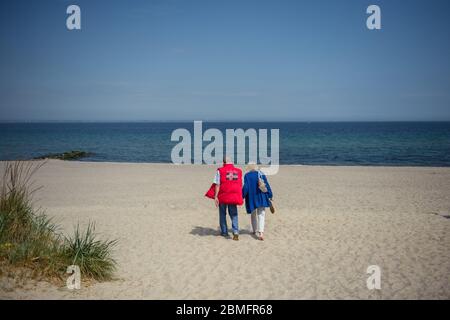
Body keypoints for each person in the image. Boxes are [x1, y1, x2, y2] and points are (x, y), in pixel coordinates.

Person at [213, 156, 243, 241]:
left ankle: (224, 231)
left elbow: (217, 184)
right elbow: (240, 184)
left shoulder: (220, 171)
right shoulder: (239, 171)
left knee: (222, 213)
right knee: (234, 214)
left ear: (224, 162)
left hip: (223, 195)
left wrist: (215, 196)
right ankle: (236, 232)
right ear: (231, 162)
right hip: (233, 196)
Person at [242, 163, 273, 241]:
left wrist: (241, 196)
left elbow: (246, 187)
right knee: (261, 214)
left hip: (252, 198)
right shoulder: (261, 174)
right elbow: (267, 185)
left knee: (253, 214)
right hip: (261, 196)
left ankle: (254, 230)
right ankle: (261, 233)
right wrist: (270, 194)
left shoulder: (247, 176)